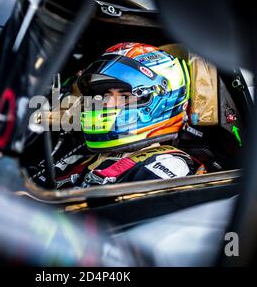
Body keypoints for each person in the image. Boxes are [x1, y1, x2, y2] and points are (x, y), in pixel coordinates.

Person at [32, 42, 206, 188]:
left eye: (124, 96)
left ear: (161, 101)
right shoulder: (85, 155)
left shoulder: (166, 167)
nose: (107, 104)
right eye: (106, 95)